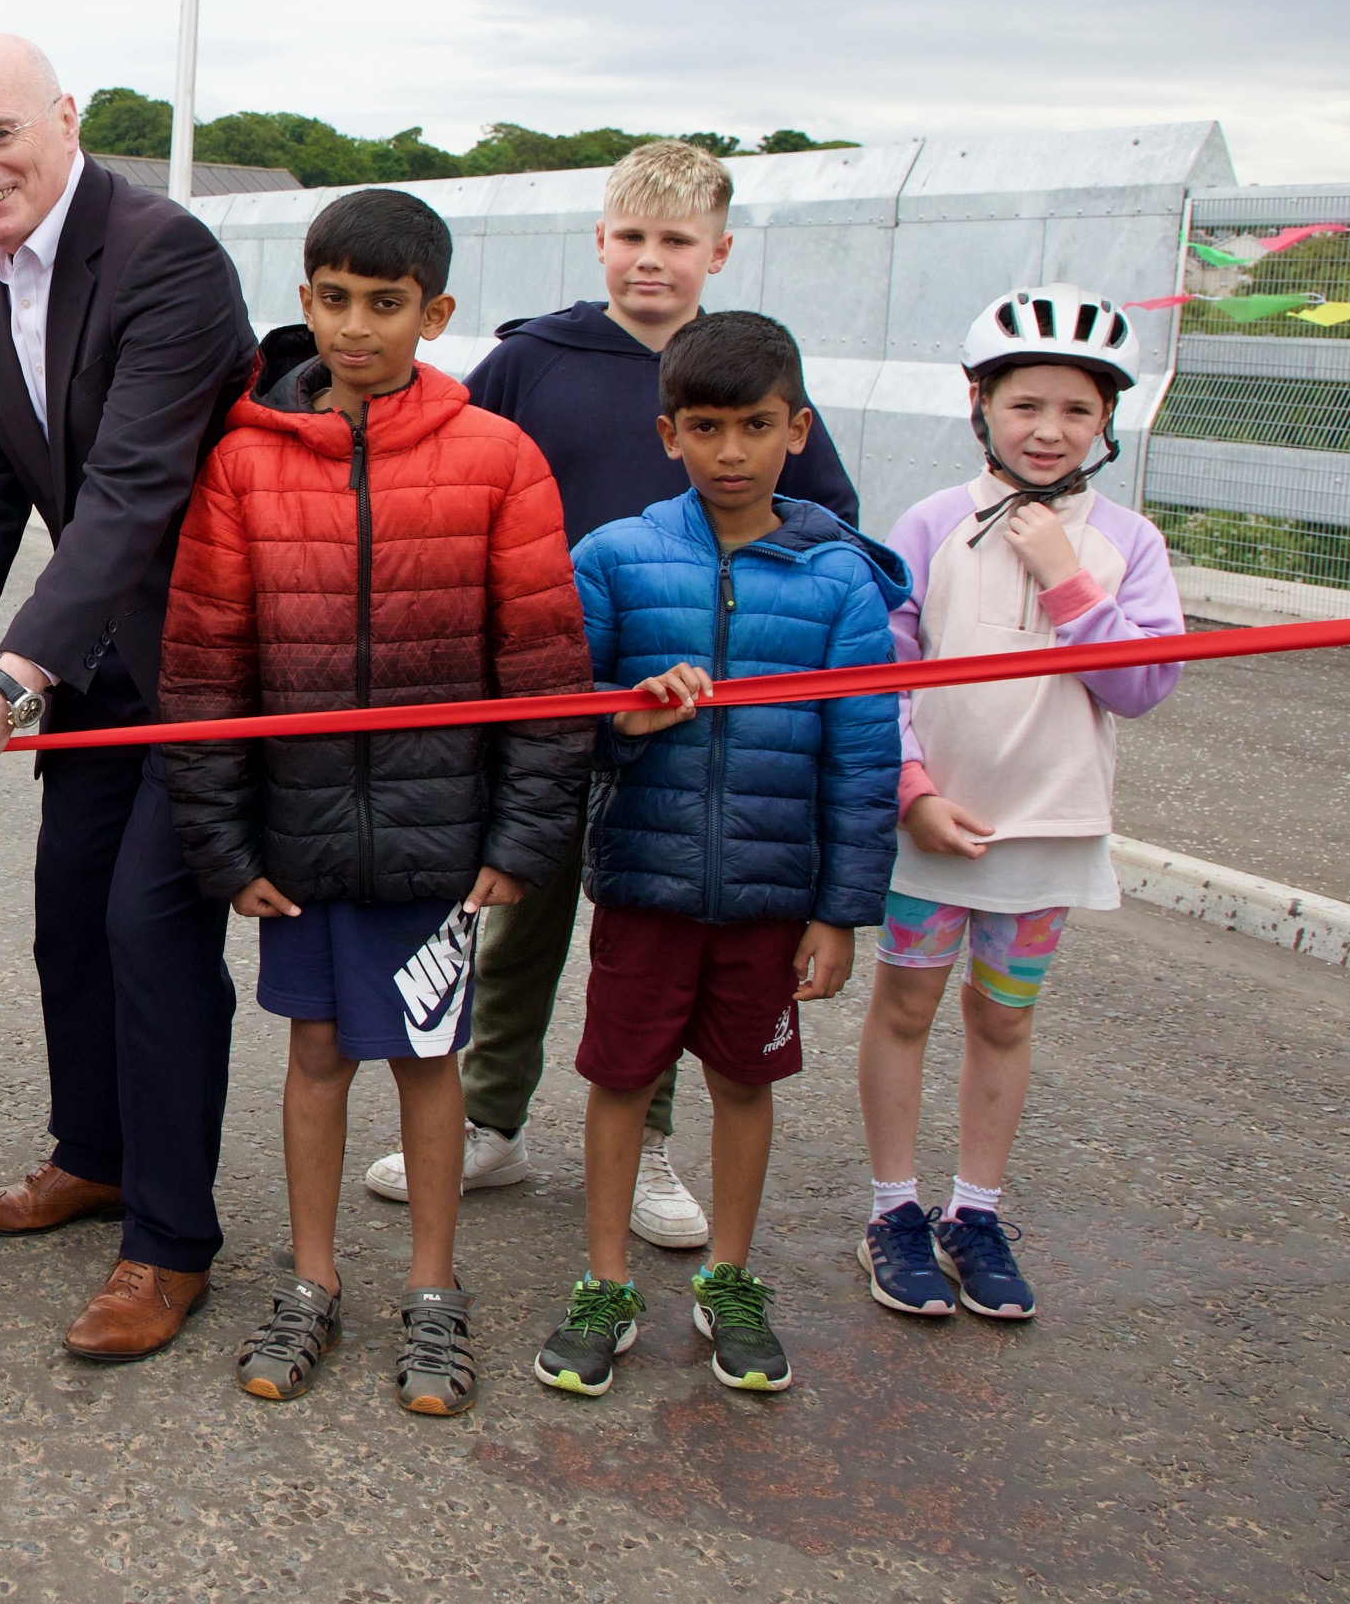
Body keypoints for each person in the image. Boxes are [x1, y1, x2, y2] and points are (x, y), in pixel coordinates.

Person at [370, 140, 866, 1248]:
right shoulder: (530, 361)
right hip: (553, 693)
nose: (651, 261)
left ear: (718, 253)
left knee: (667, 928)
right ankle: (491, 1116)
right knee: (518, 912)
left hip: (691, 715)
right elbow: (449, 478)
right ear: (599, 239)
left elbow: (825, 517)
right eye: (632, 237)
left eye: (677, 242)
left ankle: (645, 1141)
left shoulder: (743, 376)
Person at [162, 191, 591, 1415]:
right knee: (309, 1052)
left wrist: (517, 838)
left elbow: (545, 667)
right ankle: (309, 1283)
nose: (356, 327)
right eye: (333, 300)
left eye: (385, 303)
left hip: (439, 838)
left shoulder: (495, 457)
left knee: (427, 1057)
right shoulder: (243, 463)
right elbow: (203, 669)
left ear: (434, 311)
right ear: (303, 300)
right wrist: (221, 839)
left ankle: (433, 1293)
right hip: (293, 837)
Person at [0, 33, 259, 1360]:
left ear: (65, 118)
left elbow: (135, 489)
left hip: (207, 650)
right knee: (64, 920)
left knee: (151, 930)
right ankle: (91, 1154)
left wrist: (7, 681)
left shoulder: (164, 252)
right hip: (98, 646)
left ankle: (168, 1241)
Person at [531, 311, 903, 1400]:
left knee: (746, 1079)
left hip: (771, 896)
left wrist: (837, 912)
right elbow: (560, 713)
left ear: (797, 428)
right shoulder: (611, 557)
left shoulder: (839, 580)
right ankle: (604, 1284)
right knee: (616, 1074)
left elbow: (862, 756)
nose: (729, 450)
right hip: (643, 882)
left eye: (753, 425)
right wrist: (624, 720)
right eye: (704, 426)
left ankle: (728, 1278)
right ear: (666, 434)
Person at [856, 288, 1180, 1322]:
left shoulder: (1124, 539)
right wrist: (910, 792)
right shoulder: (930, 523)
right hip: (933, 825)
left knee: (1002, 1016)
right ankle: (892, 1209)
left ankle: (972, 1211)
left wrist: (1066, 583)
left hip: (1046, 829)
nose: (1047, 430)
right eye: (1024, 403)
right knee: (903, 1006)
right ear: (978, 404)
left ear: (1106, 424)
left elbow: (1142, 684)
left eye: (1076, 411)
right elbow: (882, 675)